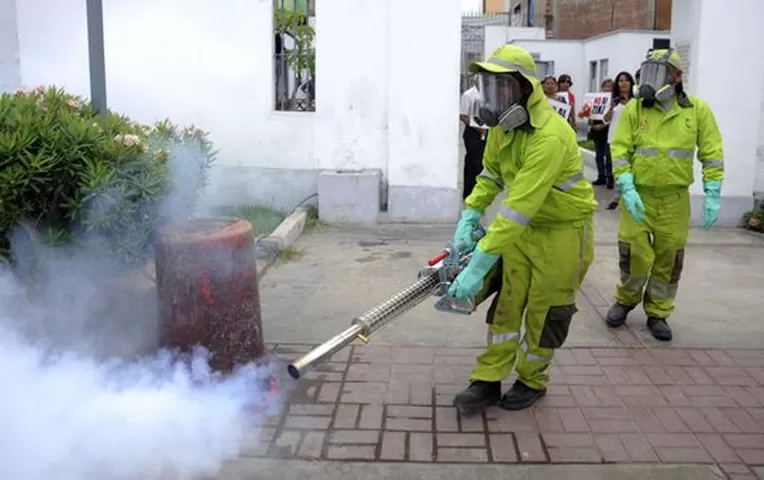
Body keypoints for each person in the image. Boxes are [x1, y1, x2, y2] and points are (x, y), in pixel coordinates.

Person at [447, 44, 598, 412]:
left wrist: (480, 261)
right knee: (508, 306)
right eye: (487, 88)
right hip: (524, 233)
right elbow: (490, 175)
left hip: (563, 233)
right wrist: (470, 214)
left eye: (501, 89)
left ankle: (532, 380)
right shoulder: (503, 127)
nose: (492, 99)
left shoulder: (550, 136)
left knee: (545, 312)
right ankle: (488, 379)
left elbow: (517, 208)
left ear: (524, 88)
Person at [605, 48, 724, 341]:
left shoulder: (696, 110)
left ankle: (658, 312)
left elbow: (712, 153)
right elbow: (619, 149)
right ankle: (625, 300)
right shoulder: (634, 109)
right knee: (634, 253)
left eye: (657, 73)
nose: (649, 81)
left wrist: (712, 191)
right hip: (639, 195)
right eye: (647, 73)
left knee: (668, 257)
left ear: (677, 76)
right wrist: (627, 186)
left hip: (675, 200)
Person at [603, 71, 636, 210]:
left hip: (631, 140)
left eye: (626, 80)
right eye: (621, 80)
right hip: (614, 139)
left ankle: (628, 196)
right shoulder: (614, 101)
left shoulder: (637, 101)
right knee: (618, 170)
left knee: (631, 170)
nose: (623, 83)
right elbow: (606, 118)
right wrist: (612, 106)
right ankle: (617, 197)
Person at [460, 75, 490, 200]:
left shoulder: (489, 95)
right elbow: (463, 115)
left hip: (487, 130)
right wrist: (478, 128)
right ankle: (469, 193)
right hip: (473, 132)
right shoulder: (468, 95)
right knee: (474, 162)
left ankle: (480, 193)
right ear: (474, 80)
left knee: (483, 162)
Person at [589, 78, 614, 188]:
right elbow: (590, 115)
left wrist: (604, 125)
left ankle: (609, 177)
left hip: (609, 131)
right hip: (597, 132)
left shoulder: (615, 101)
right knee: (599, 155)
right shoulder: (596, 100)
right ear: (602, 88)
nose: (608, 89)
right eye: (606, 86)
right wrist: (593, 125)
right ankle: (601, 176)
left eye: (610, 86)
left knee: (609, 156)